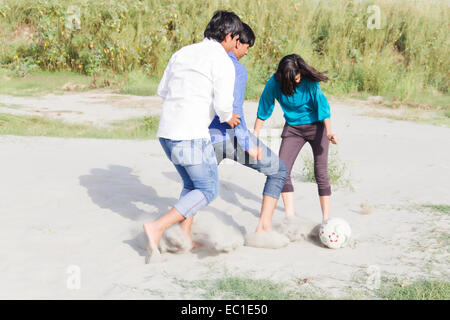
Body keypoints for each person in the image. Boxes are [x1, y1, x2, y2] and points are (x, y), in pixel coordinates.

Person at [142, 10, 243, 263]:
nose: (237, 45)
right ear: (229, 36)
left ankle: (183, 237)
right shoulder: (223, 61)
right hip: (190, 136)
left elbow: (162, 90)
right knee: (208, 189)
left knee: (191, 186)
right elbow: (223, 105)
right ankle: (157, 227)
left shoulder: (182, 53)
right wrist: (228, 116)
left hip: (167, 134)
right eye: (236, 39)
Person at [179, 23, 288, 244]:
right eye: (247, 46)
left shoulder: (200, 61)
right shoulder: (235, 68)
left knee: (193, 185)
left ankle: (181, 235)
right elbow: (234, 110)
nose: (247, 51)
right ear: (236, 41)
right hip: (229, 138)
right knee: (278, 171)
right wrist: (248, 144)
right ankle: (263, 229)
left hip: (201, 137)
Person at [254, 54, 339, 224]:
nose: (296, 82)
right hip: (293, 129)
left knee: (320, 173)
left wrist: (329, 132)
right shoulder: (274, 83)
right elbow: (265, 106)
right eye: (292, 80)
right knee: (282, 170)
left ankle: (326, 219)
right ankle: (290, 217)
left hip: (317, 127)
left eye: (298, 79)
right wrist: (255, 135)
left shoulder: (310, 82)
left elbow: (322, 106)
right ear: (282, 77)